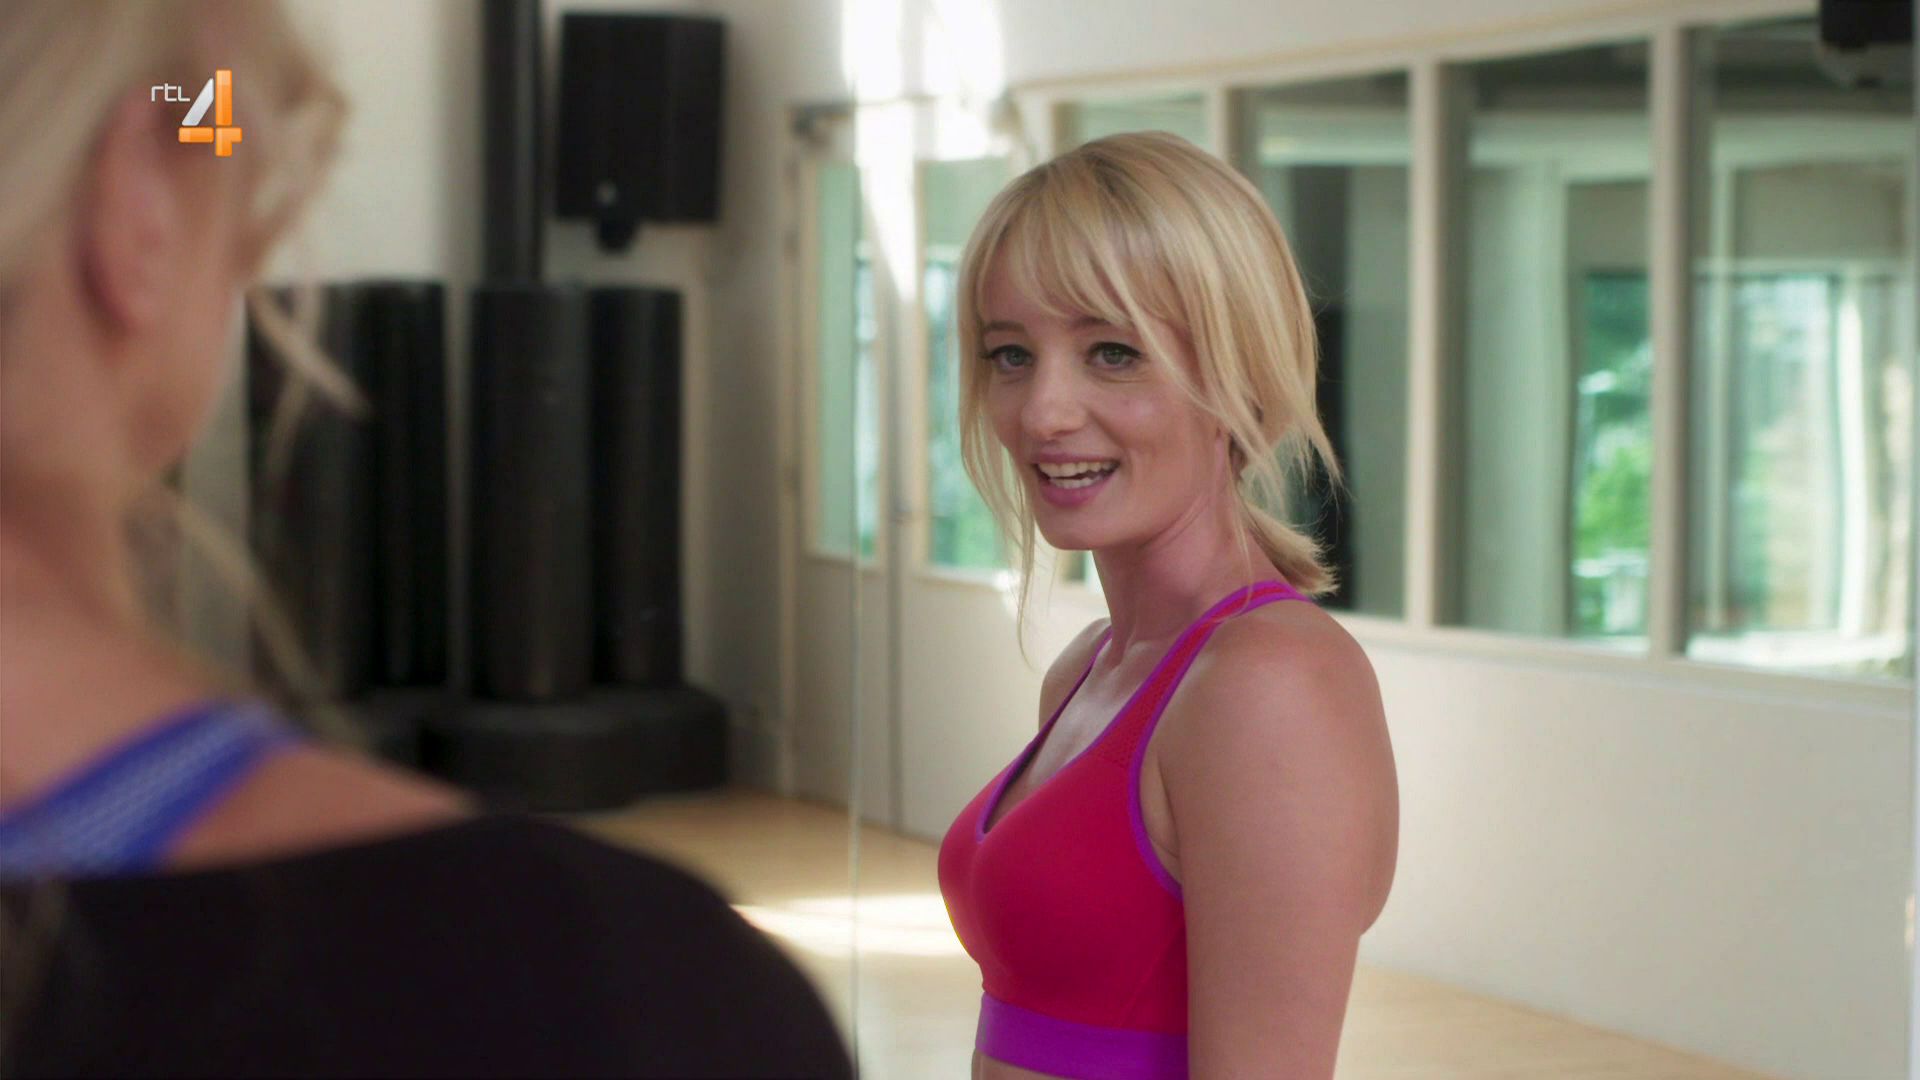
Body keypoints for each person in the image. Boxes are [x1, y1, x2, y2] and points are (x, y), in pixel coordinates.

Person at [0, 3, 851, 1076]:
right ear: (140, 212)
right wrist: (212, 111)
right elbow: (189, 99)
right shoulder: (594, 988)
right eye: (234, 179)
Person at [935, 131, 1400, 1080]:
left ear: (1240, 376)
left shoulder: (1268, 683)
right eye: (1011, 355)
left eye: (1112, 353)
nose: (1043, 412)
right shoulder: (1090, 667)